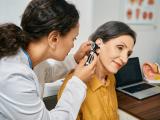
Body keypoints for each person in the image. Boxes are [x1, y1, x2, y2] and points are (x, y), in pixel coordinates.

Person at [0, 0, 97, 120]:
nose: (73, 45)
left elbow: (47, 72)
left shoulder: (30, 57)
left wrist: (76, 59)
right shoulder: (14, 76)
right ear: (54, 39)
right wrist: (78, 81)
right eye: (74, 38)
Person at [58, 21, 136, 120]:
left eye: (128, 54)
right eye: (120, 48)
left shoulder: (111, 78)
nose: (125, 59)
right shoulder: (73, 85)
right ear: (98, 45)